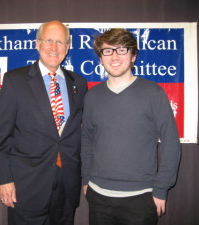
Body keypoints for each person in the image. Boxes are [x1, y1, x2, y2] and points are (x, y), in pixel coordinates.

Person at [0, 20, 87, 225]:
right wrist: (4, 178)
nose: (54, 48)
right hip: (27, 186)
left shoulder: (78, 83)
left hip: (67, 185)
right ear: (37, 43)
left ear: (67, 48)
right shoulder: (15, 80)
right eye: (49, 41)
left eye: (60, 42)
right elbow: (1, 136)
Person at [81, 28, 181, 225]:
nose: (114, 56)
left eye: (122, 50)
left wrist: (161, 189)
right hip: (98, 196)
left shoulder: (153, 93)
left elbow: (171, 142)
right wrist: (86, 180)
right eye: (107, 51)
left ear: (133, 56)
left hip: (141, 198)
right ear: (101, 58)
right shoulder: (92, 96)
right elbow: (87, 140)